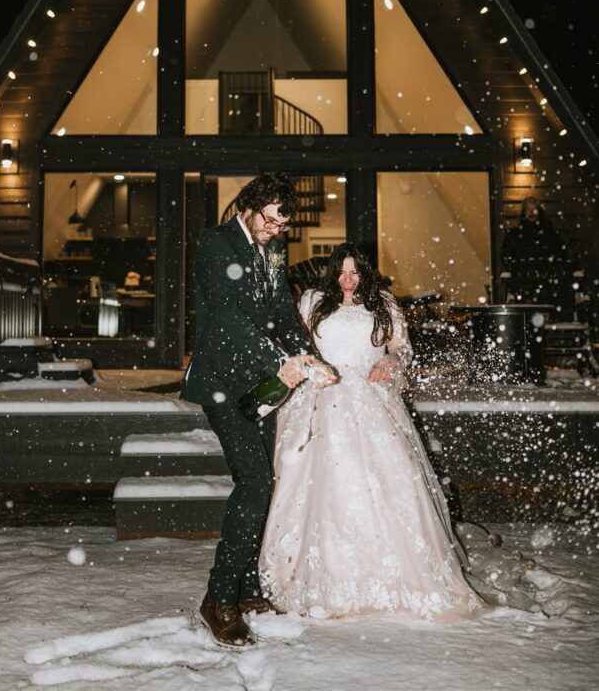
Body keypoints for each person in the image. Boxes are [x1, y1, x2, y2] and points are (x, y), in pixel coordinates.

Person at [259, 242, 486, 622]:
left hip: (370, 398)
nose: (347, 281)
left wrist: (389, 361)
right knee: (316, 484)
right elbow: (293, 344)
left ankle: (394, 574)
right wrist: (306, 365)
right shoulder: (313, 300)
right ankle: (315, 575)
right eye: (341, 273)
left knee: (388, 482)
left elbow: (403, 349)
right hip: (320, 397)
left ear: (366, 273)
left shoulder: (383, 303)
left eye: (355, 273)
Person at [180, 173, 335, 647]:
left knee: (263, 479)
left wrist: (309, 355)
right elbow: (228, 315)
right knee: (254, 480)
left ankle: (246, 586)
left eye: (280, 227)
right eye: (268, 222)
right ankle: (218, 598)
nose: (273, 232)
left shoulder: (271, 250)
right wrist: (282, 361)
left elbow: (281, 314)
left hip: (264, 386)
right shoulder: (215, 243)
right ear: (248, 207)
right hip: (223, 381)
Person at [500, 196, 570, 310]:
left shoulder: (550, 233)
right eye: (528, 209)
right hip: (523, 282)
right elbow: (505, 255)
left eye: (534, 209)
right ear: (523, 212)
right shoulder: (515, 235)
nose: (531, 212)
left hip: (547, 283)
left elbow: (561, 252)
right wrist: (515, 269)